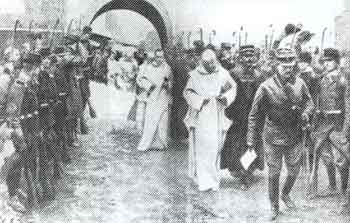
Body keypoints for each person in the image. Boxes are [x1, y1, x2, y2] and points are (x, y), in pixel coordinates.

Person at [246, 47, 314, 220]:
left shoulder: (300, 83)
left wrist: (306, 113)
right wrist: (250, 139)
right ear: (276, 65)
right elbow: (254, 114)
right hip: (273, 136)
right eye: (284, 67)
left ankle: (285, 194)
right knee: (274, 173)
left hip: (294, 135)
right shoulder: (265, 87)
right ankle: (274, 205)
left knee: (293, 171)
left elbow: (310, 103)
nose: (288, 70)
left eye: (291, 67)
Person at [184, 49, 237, 191]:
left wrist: (225, 97)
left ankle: (213, 180)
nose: (212, 65)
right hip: (201, 115)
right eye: (208, 63)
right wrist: (200, 100)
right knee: (203, 148)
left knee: (215, 147)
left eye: (213, 62)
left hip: (217, 114)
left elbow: (233, 88)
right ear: (202, 63)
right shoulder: (195, 76)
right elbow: (188, 92)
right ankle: (204, 181)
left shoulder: (223, 73)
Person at [220, 45, 265, 190]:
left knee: (251, 145)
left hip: (254, 117)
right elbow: (225, 92)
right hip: (238, 117)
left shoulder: (259, 75)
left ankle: (247, 174)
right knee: (237, 145)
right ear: (240, 57)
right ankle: (239, 170)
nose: (249, 59)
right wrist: (229, 110)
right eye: (246, 56)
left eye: (251, 55)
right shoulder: (233, 73)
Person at [316, 48, 349, 197]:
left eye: (330, 61)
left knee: (341, 160)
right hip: (324, 124)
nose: (327, 64)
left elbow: (348, 106)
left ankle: (344, 192)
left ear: (336, 62)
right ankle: (332, 186)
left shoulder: (343, 80)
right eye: (325, 61)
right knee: (326, 156)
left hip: (338, 124)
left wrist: (347, 128)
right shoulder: (322, 79)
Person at [136, 49, 172, 151]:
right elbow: (140, 79)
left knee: (163, 122)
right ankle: (145, 144)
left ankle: (161, 143)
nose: (160, 59)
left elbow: (171, 82)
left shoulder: (167, 68)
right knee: (150, 121)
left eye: (162, 57)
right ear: (155, 57)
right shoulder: (148, 67)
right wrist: (149, 86)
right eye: (158, 57)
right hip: (153, 97)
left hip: (163, 97)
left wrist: (167, 84)